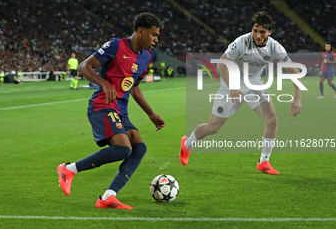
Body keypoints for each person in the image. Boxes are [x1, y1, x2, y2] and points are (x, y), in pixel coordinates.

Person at [57, 13, 165, 210]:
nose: (156, 39)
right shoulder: (116, 45)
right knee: (123, 149)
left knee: (139, 148)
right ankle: (69, 169)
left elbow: (134, 88)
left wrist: (151, 114)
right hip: (102, 105)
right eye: (154, 34)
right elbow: (84, 66)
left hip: (121, 111)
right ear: (141, 31)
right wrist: (105, 84)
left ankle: (109, 196)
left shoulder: (146, 57)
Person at [180, 11, 302, 175]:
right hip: (231, 81)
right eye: (255, 30)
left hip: (254, 84)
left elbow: (293, 70)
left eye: (262, 32)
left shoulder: (275, 47)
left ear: (269, 32)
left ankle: (264, 161)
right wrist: (232, 86)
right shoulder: (241, 42)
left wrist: (297, 98)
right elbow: (222, 64)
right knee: (213, 127)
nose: (258, 35)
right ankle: (187, 144)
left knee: (272, 120)